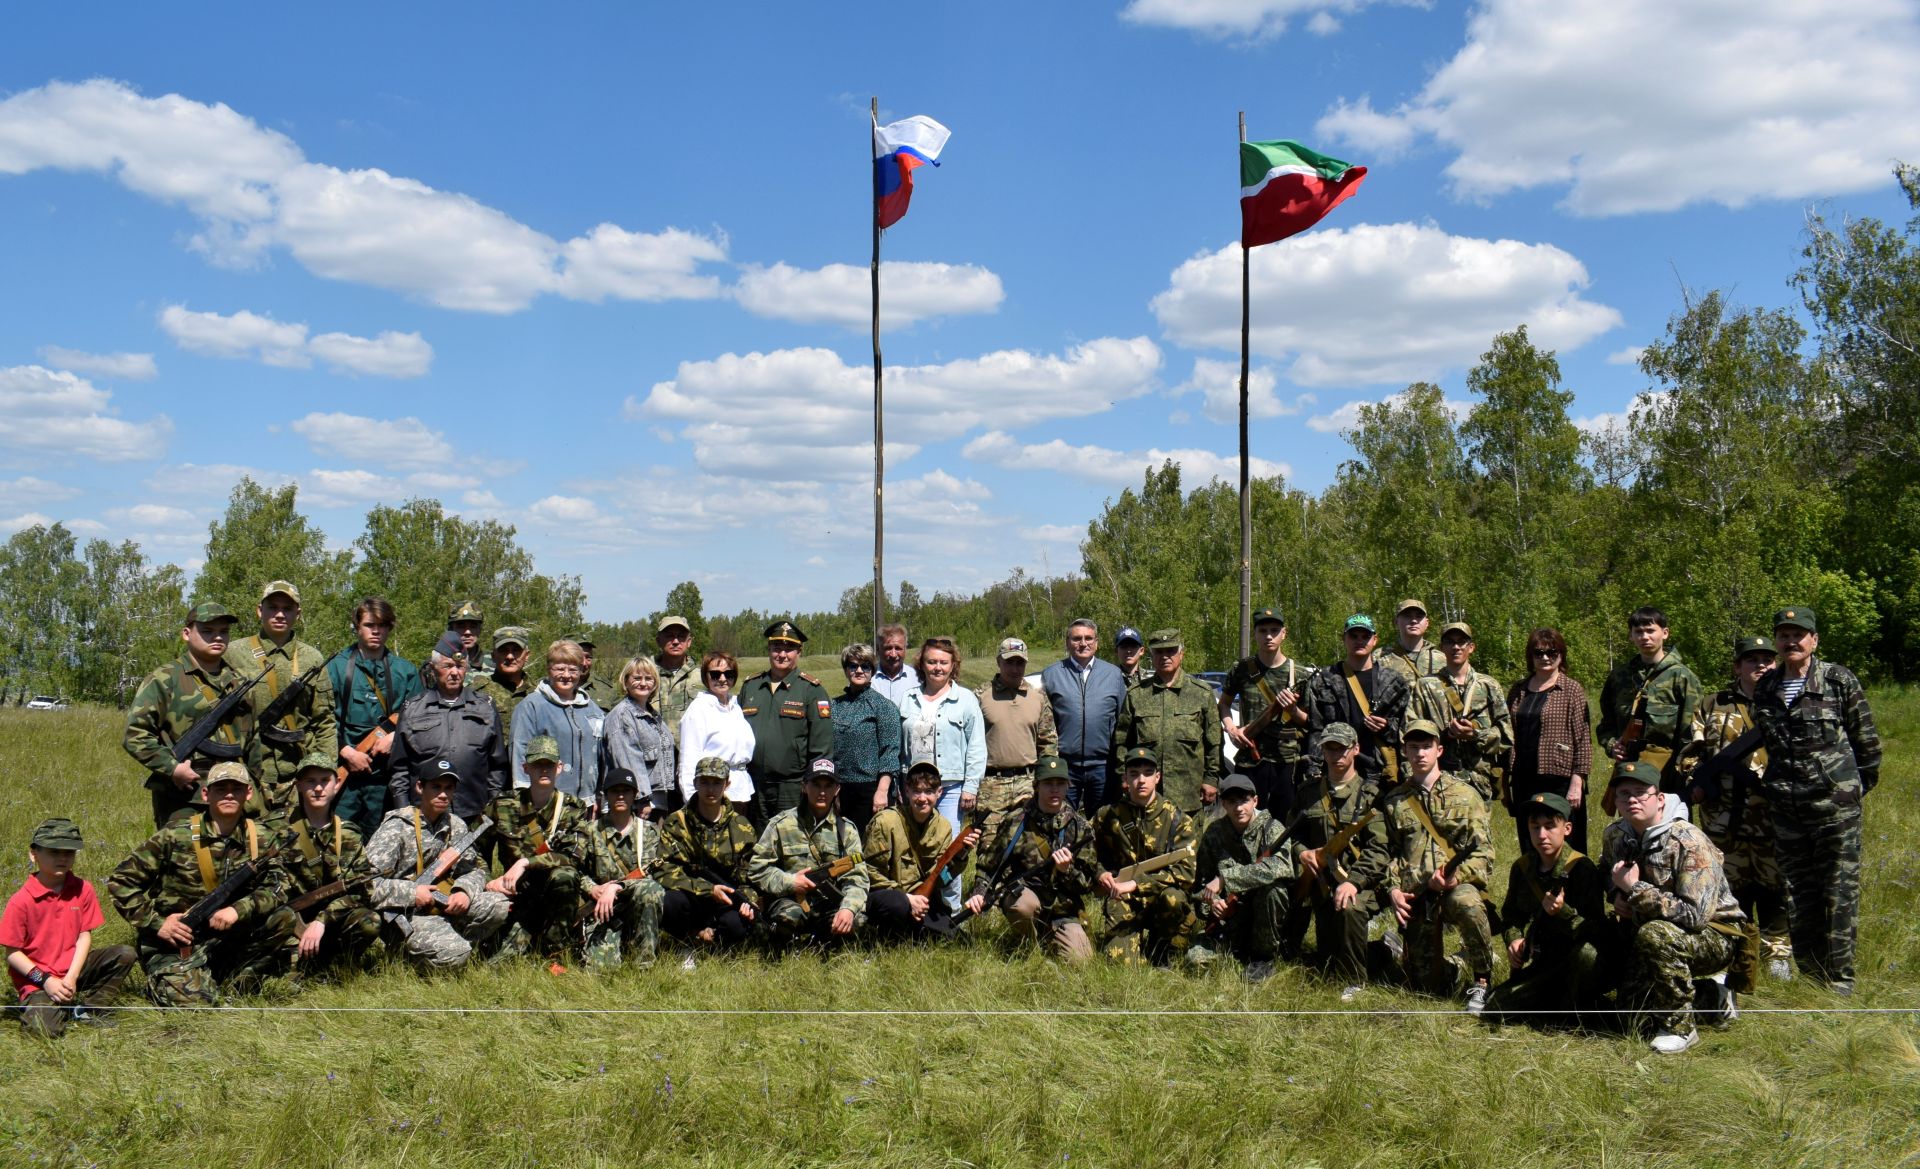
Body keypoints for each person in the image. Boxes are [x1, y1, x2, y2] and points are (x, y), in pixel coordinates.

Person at [1750, 606, 1880, 996]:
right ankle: (1810, 976)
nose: (1791, 641)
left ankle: (1840, 981)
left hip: (1834, 810)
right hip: (1787, 810)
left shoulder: (1838, 680)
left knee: (1838, 893)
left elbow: (1868, 745)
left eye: (1799, 634)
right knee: (1796, 892)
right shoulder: (1768, 687)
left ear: (1814, 640)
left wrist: (1850, 792)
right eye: (1784, 635)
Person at [108, 762, 299, 1005]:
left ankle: (236, 978)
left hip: (231, 936)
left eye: (236, 789)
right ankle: (170, 981)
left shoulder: (263, 837)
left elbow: (279, 886)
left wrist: (237, 910)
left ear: (248, 793)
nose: (229, 794)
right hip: (176, 941)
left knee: (282, 917)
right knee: (197, 1005)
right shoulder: (176, 835)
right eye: (220, 788)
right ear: (206, 794)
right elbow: (121, 881)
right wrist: (157, 924)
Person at [1602, 760, 1749, 1053]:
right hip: (1655, 931)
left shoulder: (1688, 840)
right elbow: (1608, 873)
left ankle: (1680, 1028)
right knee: (1629, 1014)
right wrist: (1616, 896)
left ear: (1659, 799)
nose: (1631, 800)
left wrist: (1635, 890)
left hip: (1715, 933)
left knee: (1655, 934)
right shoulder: (1615, 835)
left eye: (1641, 793)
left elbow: (1695, 915)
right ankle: (1713, 996)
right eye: (1623, 794)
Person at [1687, 636, 1793, 981]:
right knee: (1731, 891)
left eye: (1766, 659)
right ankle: (1734, 954)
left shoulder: (1788, 702)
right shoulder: (1712, 705)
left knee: (1775, 888)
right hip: (1723, 817)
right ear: (1738, 666)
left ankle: (1777, 954)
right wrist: (1696, 782)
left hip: (1774, 815)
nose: (1760, 666)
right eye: (1752, 660)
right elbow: (1692, 751)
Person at [1378, 720, 1497, 1012]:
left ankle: (1482, 980)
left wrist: (1457, 878)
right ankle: (1458, 963)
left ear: (1439, 750)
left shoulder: (1466, 795)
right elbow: (1387, 854)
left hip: (1456, 887)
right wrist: (1393, 891)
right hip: (1417, 895)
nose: (1420, 753)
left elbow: (1485, 852)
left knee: (1467, 902)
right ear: (1404, 751)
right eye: (1414, 747)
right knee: (1427, 988)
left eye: (1426, 746)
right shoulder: (1394, 801)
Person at [124, 600, 258, 828]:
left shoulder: (240, 682)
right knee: (185, 862)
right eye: (207, 631)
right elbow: (135, 735)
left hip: (232, 794)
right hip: (185, 796)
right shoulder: (165, 679)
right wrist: (172, 768)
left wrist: (255, 785)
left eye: (223, 632)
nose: (217, 637)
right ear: (186, 634)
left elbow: (253, 740)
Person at [1483, 792, 1609, 1028]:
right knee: (1496, 1007)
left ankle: (1577, 1004)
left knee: (1586, 955)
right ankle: (1560, 1004)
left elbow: (1596, 930)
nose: (1542, 835)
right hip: (1544, 961)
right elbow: (1512, 915)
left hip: (1578, 962)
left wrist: (1562, 912)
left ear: (1567, 828)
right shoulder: (1523, 867)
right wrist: (1515, 939)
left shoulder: (1581, 868)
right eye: (1535, 827)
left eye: (1550, 826)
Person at [364, 769, 510, 970]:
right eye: (436, 787)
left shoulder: (456, 825)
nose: (443, 794)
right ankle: (403, 954)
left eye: (449, 788)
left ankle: (449, 942)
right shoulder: (397, 826)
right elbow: (367, 883)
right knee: (455, 955)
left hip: (440, 906)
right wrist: (412, 892)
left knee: (497, 904)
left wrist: (464, 891)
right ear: (419, 787)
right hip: (404, 914)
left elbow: (475, 871)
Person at [2, 818, 135, 1037]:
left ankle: (89, 1009)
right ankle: (48, 1007)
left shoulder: (83, 889)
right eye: (54, 852)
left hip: (73, 969)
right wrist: (47, 982)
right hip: (37, 980)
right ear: (33, 854)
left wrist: (71, 978)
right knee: (44, 1031)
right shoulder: (21, 901)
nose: (63, 858)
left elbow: (84, 936)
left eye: (69, 853)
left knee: (125, 954)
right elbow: (12, 953)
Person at [1287, 723, 1390, 1001]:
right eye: (1329, 748)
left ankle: (1355, 981)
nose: (1336, 755)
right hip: (1317, 883)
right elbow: (1289, 835)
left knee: (1349, 909)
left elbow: (1379, 849)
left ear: (1356, 749)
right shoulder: (1308, 792)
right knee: (1326, 960)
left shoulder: (1369, 796)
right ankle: (1282, 955)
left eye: (1342, 748)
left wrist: (1354, 882)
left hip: (1358, 883)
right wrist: (1301, 852)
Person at [963, 757, 1100, 962]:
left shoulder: (1080, 827)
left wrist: (1066, 870)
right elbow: (989, 866)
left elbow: (1088, 884)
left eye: (1060, 784)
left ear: (1067, 786)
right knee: (1022, 906)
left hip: (1062, 909)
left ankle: (1048, 938)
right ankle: (1026, 947)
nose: (1054, 790)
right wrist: (979, 893)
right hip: (1026, 897)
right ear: (1036, 786)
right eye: (1048, 783)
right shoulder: (1016, 821)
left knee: (1081, 961)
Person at [225, 579, 338, 823]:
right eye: (272, 607)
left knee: (298, 845)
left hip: (298, 774)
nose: (279, 614)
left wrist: (325, 772)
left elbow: (324, 721)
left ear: (298, 613)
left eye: (287, 609)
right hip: (249, 773)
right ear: (259, 610)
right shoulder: (234, 653)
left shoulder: (311, 658)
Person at [485, 734, 595, 959]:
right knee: (500, 964)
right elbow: (476, 849)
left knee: (566, 875)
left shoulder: (573, 809)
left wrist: (526, 863)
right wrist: (488, 881)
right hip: (517, 896)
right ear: (525, 768)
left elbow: (573, 857)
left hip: (555, 894)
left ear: (559, 767)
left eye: (549, 764)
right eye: (537, 765)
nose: (543, 770)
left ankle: (556, 951)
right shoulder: (503, 805)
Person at [898, 636, 986, 914]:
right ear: (921, 664)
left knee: (948, 852)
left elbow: (977, 746)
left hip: (950, 788)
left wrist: (970, 787)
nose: (937, 667)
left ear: (953, 665)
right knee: (913, 849)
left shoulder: (966, 700)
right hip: (915, 788)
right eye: (931, 661)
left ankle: (950, 909)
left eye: (943, 662)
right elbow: (902, 747)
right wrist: (902, 785)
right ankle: (916, 907)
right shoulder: (908, 698)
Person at [274, 751, 381, 975]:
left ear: (337, 784)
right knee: (289, 981)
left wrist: (322, 920)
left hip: (330, 923)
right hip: (287, 921)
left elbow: (362, 890)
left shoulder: (347, 835)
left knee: (369, 921)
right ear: (299, 786)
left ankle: (337, 964)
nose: (319, 788)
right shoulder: (277, 830)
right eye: (311, 781)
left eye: (325, 781)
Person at [746, 759, 870, 953]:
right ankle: (785, 947)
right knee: (789, 916)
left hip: (827, 904)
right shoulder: (781, 824)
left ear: (837, 789)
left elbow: (858, 878)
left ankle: (822, 945)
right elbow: (756, 869)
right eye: (816, 785)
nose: (822, 792)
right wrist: (791, 881)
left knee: (858, 920)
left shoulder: (846, 830)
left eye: (828, 786)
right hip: (789, 901)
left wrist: (848, 908)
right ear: (804, 786)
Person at [328, 597, 423, 839]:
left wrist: (395, 737)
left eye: (383, 625)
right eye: (370, 624)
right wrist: (347, 752)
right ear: (357, 627)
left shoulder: (405, 671)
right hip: (345, 780)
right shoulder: (336, 668)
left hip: (386, 781)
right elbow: (323, 721)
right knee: (339, 842)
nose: (376, 631)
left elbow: (418, 719)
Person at [1093, 748, 1198, 965]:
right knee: (1119, 964)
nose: (1142, 780)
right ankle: (1133, 943)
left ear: (1157, 778)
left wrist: (1135, 883)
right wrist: (1100, 872)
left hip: (1159, 898)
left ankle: (1160, 946)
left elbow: (1186, 873)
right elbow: (1085, 851)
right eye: (1134, 774)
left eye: (1148, 773)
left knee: (1174, 898)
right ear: (1125, 779)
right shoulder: (1108, 815)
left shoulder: (1178, 819)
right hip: (1124, 898)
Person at [388, 631, 507, 820]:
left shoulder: (485, 706)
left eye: (460, 666)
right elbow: (399, 767)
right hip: (423, 814)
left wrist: (493, 807)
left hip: (475, 812)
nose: (454, 672)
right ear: (434, 668)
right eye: (448, 666)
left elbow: (498, 765)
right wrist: (403, 811)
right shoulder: (413, 708)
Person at [1188, 772, 1294, 981]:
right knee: (1195, 961)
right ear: (1223, 804)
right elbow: (1200, 886)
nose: (1239, 808)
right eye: (1232, 802)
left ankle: (1263, 957)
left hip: (1264, 917)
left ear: (1255, 800)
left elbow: (1280, 867)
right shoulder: (1214, 833)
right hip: (1229, 920)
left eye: (1244, 801)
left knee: (1274, 891)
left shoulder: (1272, 828)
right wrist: (1213, 903)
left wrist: (1226, 878)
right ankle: (1235, 949)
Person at [1597, 606, 1704, 812]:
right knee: (1629, 833)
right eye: (1638, 632)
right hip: (1629, 771)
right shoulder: (1619, 677)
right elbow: (1606, 723)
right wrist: (1612, 745)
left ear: (1664, 633)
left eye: (1650, 630)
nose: (1644, 636)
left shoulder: (1682, 677)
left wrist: (1687, 775)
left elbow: (1692, 735)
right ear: (1631, 636)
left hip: (1667, 774)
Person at [864, 758, 980, 941]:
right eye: (917, 791)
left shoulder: (943, 827)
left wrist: (961, 855)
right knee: (897, 905)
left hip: (923, 900)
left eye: (929, 791)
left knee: (956, 939)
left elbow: (942, 879)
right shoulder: (885, 821)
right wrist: (908, 899)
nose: (922, 798)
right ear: (907, 791)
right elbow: (870, 873)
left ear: (939, 793)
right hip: (889, 897)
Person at [656, 757, 761, 956]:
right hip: (691, 895)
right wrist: (707, 890)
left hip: (726, 900)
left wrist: (748, 900)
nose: (710, 789)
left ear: (727, 784)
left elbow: (750, 875)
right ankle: (687, 941)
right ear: (695, 783)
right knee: (670, 902)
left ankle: (712, 942)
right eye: (704, 782)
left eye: (716, 783)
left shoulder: (742, 826)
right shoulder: (676, 822)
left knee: (736, 925)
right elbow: (664, 870)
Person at [1504, 628, 1594, 857]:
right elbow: (1507, 735)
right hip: (1524, 778)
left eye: (1551, 652)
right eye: (1538, 653)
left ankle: (1571, 891)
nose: (1545, 657)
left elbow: (1583, 738)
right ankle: (1534, 891)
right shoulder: (1518, 690)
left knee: (1567, 843)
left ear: (1561, 655)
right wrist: (1505, 782)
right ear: (1530, 656)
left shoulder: (1572, 689)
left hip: (1559, 780)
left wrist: (1577, 781)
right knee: (1531, 843)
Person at [1113, 629, 1223, 816]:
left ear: (1181, 653)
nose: (1165, 656)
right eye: (1159, 652)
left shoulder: (1201, 693)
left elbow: (1214, 743)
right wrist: (1124, 775)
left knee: (1188, 846)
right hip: (1147, 795)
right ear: (1151, 655)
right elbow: (1122, 741)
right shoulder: (1137, 694)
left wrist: (1211, 779)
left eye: (1171, 651)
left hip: (1189, 794)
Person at [739, 620, 836, 825]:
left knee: (791, 844)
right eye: (777, 647)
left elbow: (822, 747)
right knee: (755, 845)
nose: (782, 654)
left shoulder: (811, 690)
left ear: (799, 652)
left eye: (789, 649)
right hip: (753, 784)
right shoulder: (751, 687)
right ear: (769, 649)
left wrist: (814, 786)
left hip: (792, 787)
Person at [1220, 608, 1313, 813]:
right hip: (1250, 759)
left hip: (1287, 762)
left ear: (1284, 633)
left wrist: (1293, 710)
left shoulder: (1299, 674)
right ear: (1254, 634)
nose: (1268, 636)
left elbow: (1310, 722)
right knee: (1245, 819)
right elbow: (1224, 704)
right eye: (1262, 631)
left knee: (1285, 822)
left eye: (1274, 630)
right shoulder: (1241, 669)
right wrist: (1232, 729)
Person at [574, 767, 667, 970]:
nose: (621, 795)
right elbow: (575, 870)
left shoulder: (649, 832)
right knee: (601, 970)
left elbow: (651, 872)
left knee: (652, 890)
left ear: (635, 795)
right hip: (603, 911)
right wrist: (592, 888)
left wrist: (616, 887)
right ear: (607, 795)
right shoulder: (590, 831)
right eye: (615, 791)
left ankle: (644, 964)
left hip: (637, 906)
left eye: (626, 791)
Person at [1410, 622, 1512, 805]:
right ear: (1442, 648)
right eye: (1450, 642)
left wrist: (1475, 735)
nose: (1456, 647)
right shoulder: (1426, 686)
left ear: (1471, 647)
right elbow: (1410, 733)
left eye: (1461, 642)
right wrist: (1445, 735)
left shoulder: (1489, 686)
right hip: (1438, 781)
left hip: (1479, 781)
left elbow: (1506, 737)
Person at [1305, 614, 1409, 789]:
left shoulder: (1393, 682)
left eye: (1365, 636)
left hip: (1380, 771)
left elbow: (1406, 729)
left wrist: (1386, 727)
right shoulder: (1325, 680)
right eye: (1354, 636)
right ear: (1344, 638)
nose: (1359, 640)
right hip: (1336, 769)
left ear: (1375, 640)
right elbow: (1316, 728)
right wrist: (1313, 769)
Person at [974, 637, 1059, 844]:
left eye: (1019, 663)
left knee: (1028, 845)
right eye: (1009, 662)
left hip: (1028, 784)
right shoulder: (980, 696)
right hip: (991, 784)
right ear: (998, 662)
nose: (1014, 668)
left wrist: (1045, 781)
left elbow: (1048, 742)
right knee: (990, 846)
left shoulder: (1038, 697)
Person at [1041, 618, 1129, 814]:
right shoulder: (1052, 675)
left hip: (1103, 766)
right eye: (1077, 638)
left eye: (1088, 638)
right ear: (1067, 642)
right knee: (1063, 822)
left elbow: (1123, 721)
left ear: (1096, 643)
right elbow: (1044, 723)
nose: (1083, 643)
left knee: (1103, 822)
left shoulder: (1113, 674)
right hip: (1065, 766)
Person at [509, 639, 605, 801]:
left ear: (581, 670)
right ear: (548, 669)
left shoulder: (593, 709)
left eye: (573, 669)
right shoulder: (532, 706)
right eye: (560, 669)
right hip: (547, 801)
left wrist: (599, 796)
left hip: (587, 802)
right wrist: (525, 797)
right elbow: (519, 749)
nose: (566, 675)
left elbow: (602, 757)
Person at [831, 642, 904, 834]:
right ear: (846, 670)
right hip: (838, 789)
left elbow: (890, 752)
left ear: (872, 669)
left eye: (865, 666)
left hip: (870, 790)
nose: (859, 671)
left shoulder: (883, 707)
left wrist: (882, 791)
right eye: (853, 666)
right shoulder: (834, 705)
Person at [676, 651, 756, 814]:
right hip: (711, 794)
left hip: (740, 792)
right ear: (706, 677)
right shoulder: (699, 710)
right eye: (715, 674)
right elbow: (688, 761)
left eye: (728, 674)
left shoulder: (735, 707)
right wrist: (693, 801)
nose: (722, 679)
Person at [602, 655, 677, 814]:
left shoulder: (652, 715)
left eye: (648, 678)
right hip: (637, 804)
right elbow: (628, 761)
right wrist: (642, 799)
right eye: (637, 678)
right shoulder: (622, 716)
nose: (643, 683)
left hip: (659, 800)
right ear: (626, 681)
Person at [472, 626, 535, 737]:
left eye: (516, 650)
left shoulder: (539, 693)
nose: (510, 656)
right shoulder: (476, 692)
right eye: (503, 650)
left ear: (527, 655)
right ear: (493, 656)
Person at [1373, 599, 1446, 685]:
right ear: (1396, 622)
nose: (1414, 621)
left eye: (1419, 616)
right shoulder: (1380, 657)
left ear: (1427, 623)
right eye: (1407, 616)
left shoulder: (1441, 658)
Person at [653, 615, 702, 746]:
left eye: (681, 636)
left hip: (692, 755)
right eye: (669, 636)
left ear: (689, 641)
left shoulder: (703, 677)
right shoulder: (645, 677)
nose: (675, 641)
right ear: (658, 640)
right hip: (654, 758)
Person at [872, 623, 920, 709]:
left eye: (898, 648)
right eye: (888, 648)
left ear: (905, 649)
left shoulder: (918, 677)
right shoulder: (867, 678)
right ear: (878, 650)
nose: (893, 654)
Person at [445, 600, 485, 674]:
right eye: (461, 627)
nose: (467, 632)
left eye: (473, 627)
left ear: (479, 630)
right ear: (451, 629)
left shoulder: (496, 663)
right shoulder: (435, 664)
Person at [572, 634, 610, 707]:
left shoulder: (607, 691)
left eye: (588, 657)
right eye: (578, 656)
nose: (584, 663)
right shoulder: (548, 688)